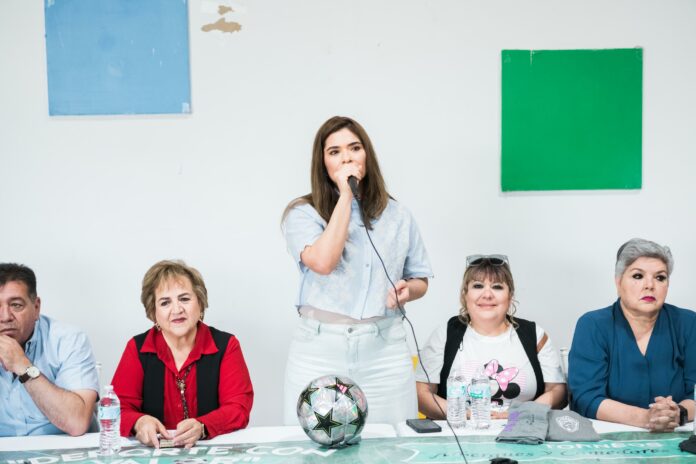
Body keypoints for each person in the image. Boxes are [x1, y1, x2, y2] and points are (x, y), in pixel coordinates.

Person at [281, 116, 433, 425]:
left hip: (384, 350)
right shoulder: (303, 213)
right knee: (312, 442)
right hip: (319, 350)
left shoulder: (398, 214)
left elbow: (420, 278)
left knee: (393, 441)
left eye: (354, 148)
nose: (346, 158)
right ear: (323, 163)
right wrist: (346, 196)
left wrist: (408, 290)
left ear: (367, 155)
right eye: (334, 151)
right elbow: (323, 262)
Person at [111, 260, 253, 448]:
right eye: (165, 302)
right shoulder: (137, 348)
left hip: (210, 452)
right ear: (153, 312)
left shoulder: (226, 345)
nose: (177, 310)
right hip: (154, 454)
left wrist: (203, 426)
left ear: (200, 303)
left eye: (184, 299)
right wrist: (139, 422)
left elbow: (238, 407)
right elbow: (117, 408)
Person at [416, 255, 567, 419]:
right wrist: (467, 415)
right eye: (478, 286)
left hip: (522, 429)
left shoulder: (534, 335)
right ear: (465, 294)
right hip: (460, 430)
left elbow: (557, 391)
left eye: (497, 287)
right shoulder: (445, 334)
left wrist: (519, 415)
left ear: (510, 295)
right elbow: (421, 393)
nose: (487, 294)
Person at [569, 238, 695, 430]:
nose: (650, 285)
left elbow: (695, 391)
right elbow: (586, 397)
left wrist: (678, 413)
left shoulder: (688, 322)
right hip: (610, 436)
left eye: (660, 277)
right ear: (618, 282)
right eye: (638, 276)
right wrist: (646, 418)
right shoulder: (593, 324)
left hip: (677, 431)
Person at [0, 263, 99, 437]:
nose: (5, 317)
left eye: (16, 305)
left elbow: (77, 422)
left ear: (36, 307)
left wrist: (23, 366)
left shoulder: (69, 340)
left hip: (62, 448)